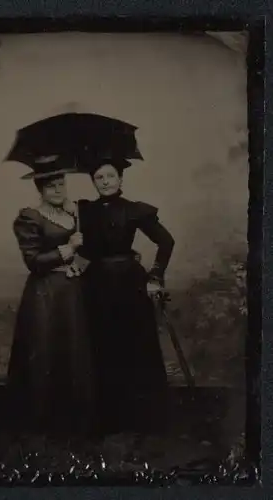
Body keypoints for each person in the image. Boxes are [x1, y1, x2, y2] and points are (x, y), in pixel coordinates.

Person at [77, 158, 175, 437]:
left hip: (130, 285)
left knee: (136, 347)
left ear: (120, 179)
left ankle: (143, 418)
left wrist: (155, 276)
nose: (105, 181)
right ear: (93, 182)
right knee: (102, 348)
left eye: (110, 176)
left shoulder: (134, 210)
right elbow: (87, 251)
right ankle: (109, 418)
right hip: (96, 284)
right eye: (99, 177)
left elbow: (166, 242)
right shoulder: (83, 211)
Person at [7, 156, 94, 439]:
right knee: (44, 349)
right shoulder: (29, 217)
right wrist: (67, 249)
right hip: (44, 293)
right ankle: (40, 418)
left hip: (70, 291)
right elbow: (33, 261)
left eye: (61, 184)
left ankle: (70, 416)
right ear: (40, 190)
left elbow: (84, 253)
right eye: (52, 187)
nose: (59, 190)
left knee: (72, 350)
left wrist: (77, 259)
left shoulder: (72, 215)